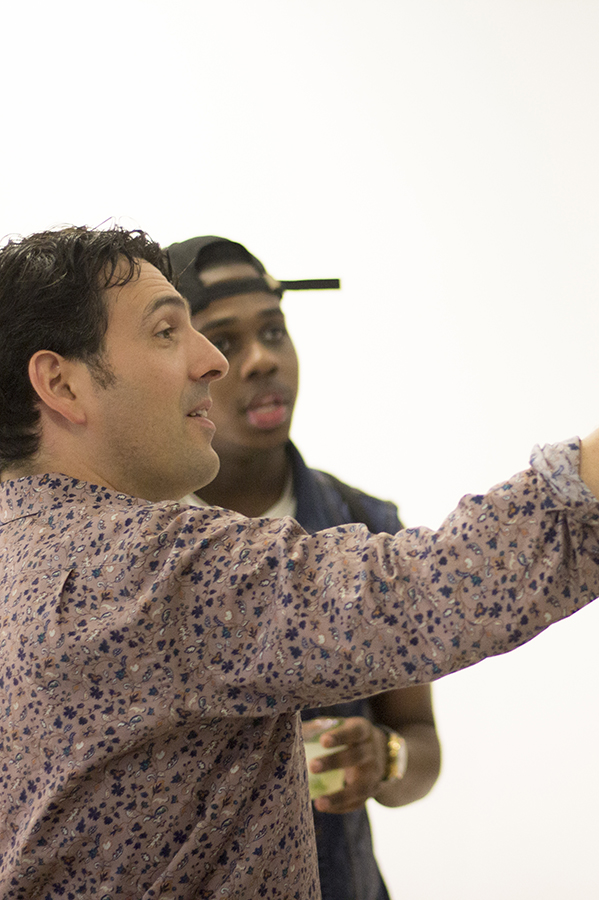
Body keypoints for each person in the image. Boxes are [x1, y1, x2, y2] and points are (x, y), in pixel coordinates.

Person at [0, 182, 599, 900]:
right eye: (169, 331)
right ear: (62, 383)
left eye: (255, 329)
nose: (219, 363)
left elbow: (415, 729)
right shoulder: (150, 571)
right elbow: (450, 583)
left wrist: (385, 759)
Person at [165, 233, 441, 900]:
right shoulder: (131, 544)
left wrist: (384, 761)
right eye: (225, 341)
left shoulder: (365, 529)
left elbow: (421, 744)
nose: (262, 360)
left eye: (274, 331)